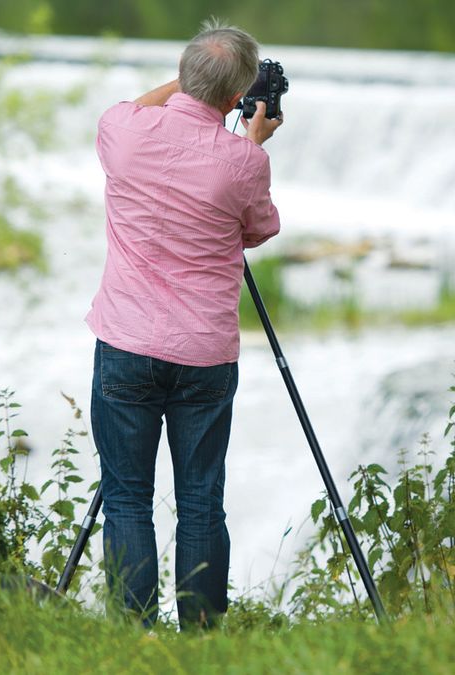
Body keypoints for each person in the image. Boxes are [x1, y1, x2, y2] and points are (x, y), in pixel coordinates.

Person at [85, 19, 284, 629]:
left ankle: (136, 637)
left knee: (126, 499)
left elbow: (130, 107)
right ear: (237, 97)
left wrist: (192, 85)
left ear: (185, 76)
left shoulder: (122, 133)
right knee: (201, 501)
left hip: (125, 344)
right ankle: (200, 639)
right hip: (204, 356)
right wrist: (250, 137)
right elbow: (258, 230)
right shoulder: (243, 163)